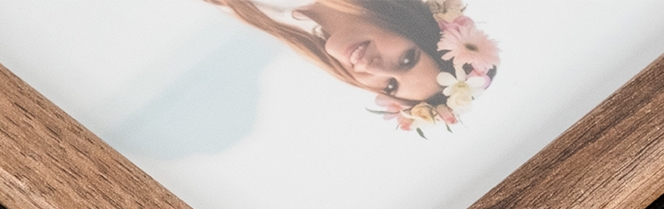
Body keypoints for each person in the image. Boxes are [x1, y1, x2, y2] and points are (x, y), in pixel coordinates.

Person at [203, 0, 500, 135]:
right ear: (411, 22)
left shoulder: (275, 19)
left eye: (391, 86)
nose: (377, 69)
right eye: (407, 59)